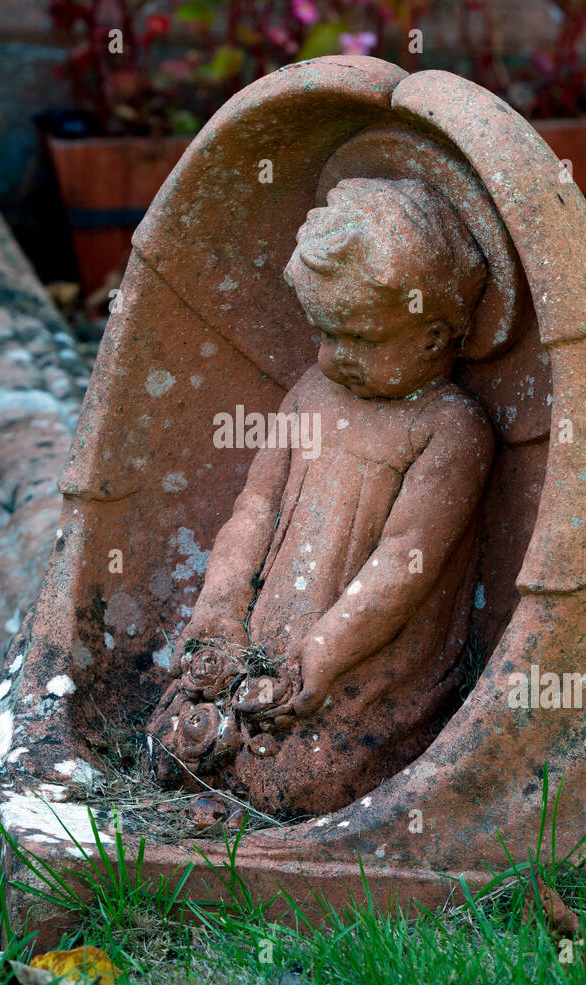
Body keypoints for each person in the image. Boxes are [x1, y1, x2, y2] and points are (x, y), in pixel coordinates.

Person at [148, 176, 496, 816]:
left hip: (366, 655)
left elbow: (404, 560)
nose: (336, 356)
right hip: (267, 632)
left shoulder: (450, 428)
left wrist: (325, 654)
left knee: (304, 780)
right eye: (325, 334)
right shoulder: (310, 391)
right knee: (176, 737)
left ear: (434, 333)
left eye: (362, 339)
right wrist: (222, 606)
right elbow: (255, 508)